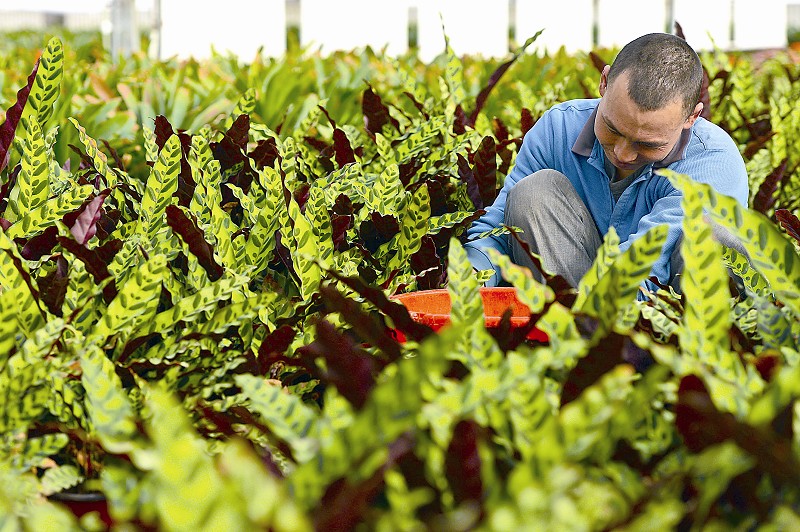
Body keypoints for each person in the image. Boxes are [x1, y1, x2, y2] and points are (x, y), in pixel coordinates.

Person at [464, 32, 749, 291]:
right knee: (531, 192)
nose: (623, 154)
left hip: (666, 319)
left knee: (716, 233)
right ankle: (571, 333)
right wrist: (466, 280)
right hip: (573, 308)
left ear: (692, 117)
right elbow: (497, 232)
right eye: (612, 129)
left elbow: (647, 269)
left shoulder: (713, 162)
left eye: (647, 144)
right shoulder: (557, 128)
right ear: (604, 81)